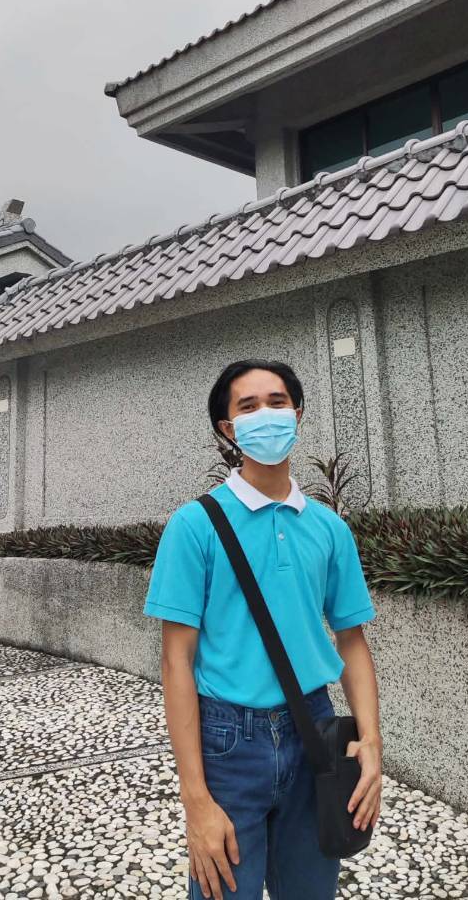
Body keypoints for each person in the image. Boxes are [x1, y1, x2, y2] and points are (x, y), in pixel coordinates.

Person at [143, 359, 381, 900]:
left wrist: (371, 742)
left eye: (277, 402)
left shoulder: (328, 527)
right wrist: (196, 800)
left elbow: (352, 641)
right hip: (228, 741)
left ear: (298, 413)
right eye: (247, 407)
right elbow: (176, 662)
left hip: (314, 732)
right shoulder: (194, 525)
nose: (266, 416)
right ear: (228, 430)